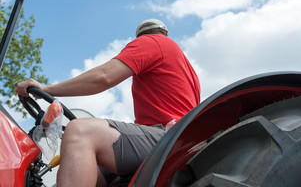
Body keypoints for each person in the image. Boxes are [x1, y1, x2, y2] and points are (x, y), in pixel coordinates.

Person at [16, 19, 200, 187]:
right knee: (79, 166)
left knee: (80, 131)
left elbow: (104, 77)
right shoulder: (187, 70)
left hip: (166, 137)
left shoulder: (153, 42)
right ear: (167, 33)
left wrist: (46, 90)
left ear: (140, 37)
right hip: (180, 140)